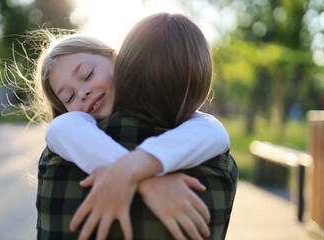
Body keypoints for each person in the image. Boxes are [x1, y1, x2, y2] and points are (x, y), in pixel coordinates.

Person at [31, 14, 237, 240]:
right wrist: (147, 183)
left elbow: (212, 131)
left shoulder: (194, 128)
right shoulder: (72, 131)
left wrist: (131, 170)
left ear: (118, 60)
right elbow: (62, 127)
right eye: (69, 97)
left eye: (88, 74)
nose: (82, 92)